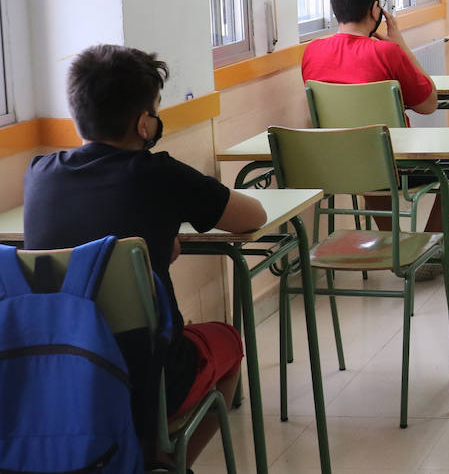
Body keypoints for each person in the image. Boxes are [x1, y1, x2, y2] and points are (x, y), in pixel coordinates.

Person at [24, 44, 267, 465]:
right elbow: (251, 217)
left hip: (55, 375)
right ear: (143, 124)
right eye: (155, 111)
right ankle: (166, 459)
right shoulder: (159, 174)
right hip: (145, 377)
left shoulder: (39, 175)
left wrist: (154, 241)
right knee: (228, 342)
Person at [299, 0, 449, 246]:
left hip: (335, 164)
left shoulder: (312, 52)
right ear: (374, 9)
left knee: (368, 146)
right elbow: (428, 104)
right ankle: (428, 244)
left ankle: (394, 244)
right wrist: (400, 44)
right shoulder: (386, 52)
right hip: (394, 166)